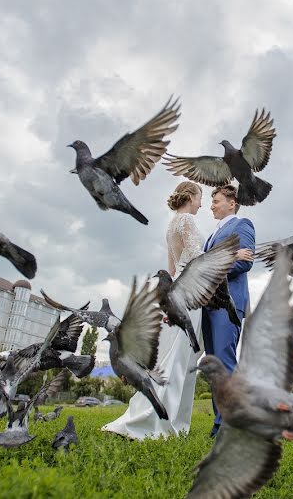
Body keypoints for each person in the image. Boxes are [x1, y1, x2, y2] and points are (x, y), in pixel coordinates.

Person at [102, 181, 251, 439]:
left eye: (212, 200)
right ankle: (163, 422)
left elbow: (171, 271)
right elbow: (196, 261)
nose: (204, 204)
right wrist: (233, 256)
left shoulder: (172, 226)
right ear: (191, 196)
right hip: (190, 297)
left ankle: (171, 421)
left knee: (176, 358)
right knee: (178, 361)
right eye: (202, 198)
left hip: (181, 295)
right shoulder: (188, 222)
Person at [201, 184, 255, 437]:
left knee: (224, 362)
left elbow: (244, 262)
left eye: (217, 201)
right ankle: (219, 422)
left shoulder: (242, 225)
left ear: (232, 203)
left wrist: (210, 269)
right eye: (212, 202)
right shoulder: (213, 234)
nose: (212, 206)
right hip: (208, 304)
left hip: (229, 304)